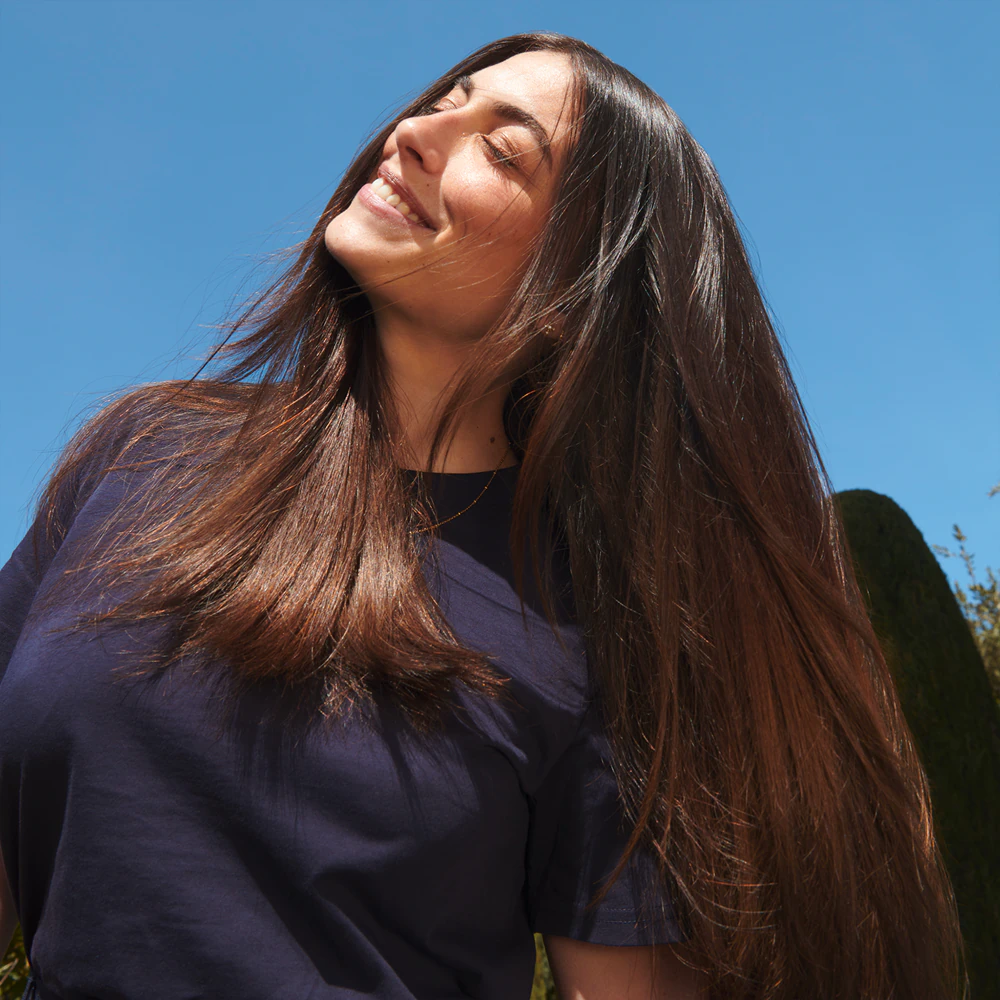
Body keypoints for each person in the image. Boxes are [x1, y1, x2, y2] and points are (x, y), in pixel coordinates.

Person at [0, 30, 966, 1000]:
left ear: (572, 296)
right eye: (441, 103)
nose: (414, 133)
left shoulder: (590, 627)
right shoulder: (147, 448)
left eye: (503, 150)